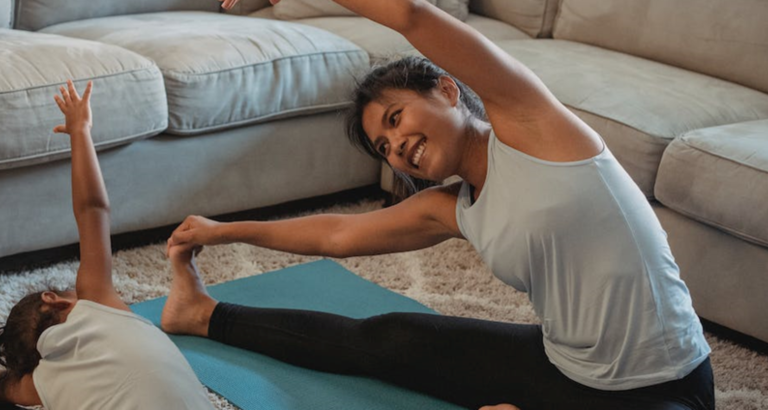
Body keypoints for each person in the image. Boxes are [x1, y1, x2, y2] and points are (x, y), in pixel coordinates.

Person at [164, 0, 714, 409]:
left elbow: (409, 16)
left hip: (664, 387)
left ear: (447, 91)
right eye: (383, 146)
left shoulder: (535, 129)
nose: (396, 146)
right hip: (564, 370)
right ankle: (204, 315)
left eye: (396, 119)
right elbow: (336, 236)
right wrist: (222, 231)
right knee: (390, 338)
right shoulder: (455, 207)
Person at [0, 81, 214, 410]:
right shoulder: (94, 302)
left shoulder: (39, 385)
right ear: (54, 301)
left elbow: (7, 390)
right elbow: (92, 210)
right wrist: (80, 131)